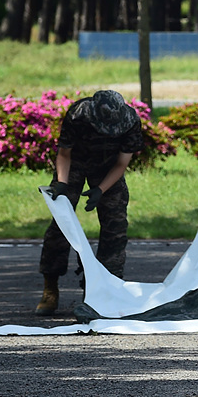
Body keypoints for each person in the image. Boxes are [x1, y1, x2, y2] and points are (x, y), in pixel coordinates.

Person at [37, 90, 145, 315]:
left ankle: (106, 291)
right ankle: (50, 288)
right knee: (61, 224)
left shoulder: (130, 121)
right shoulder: (78, 115)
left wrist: (99, 190)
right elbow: (64, 154)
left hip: (108, 167)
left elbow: (121, 164)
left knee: (115, 227)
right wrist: (63, 184)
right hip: (75, 163)